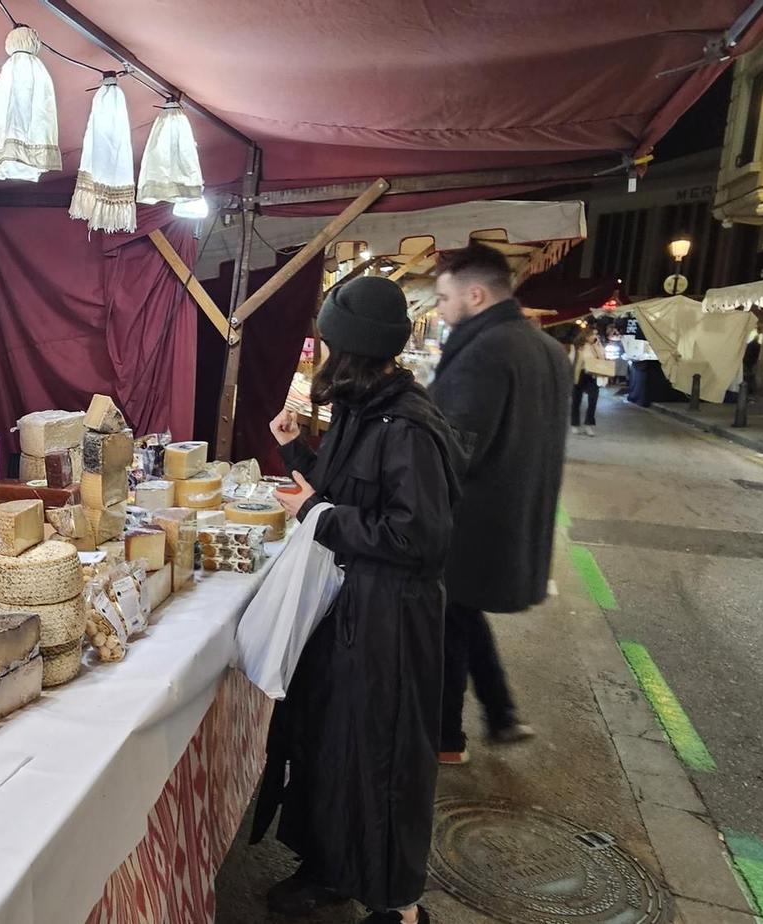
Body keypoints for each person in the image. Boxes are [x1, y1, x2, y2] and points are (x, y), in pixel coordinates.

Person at [254, 275, 464, 924]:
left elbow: (418, 537)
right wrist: (295, 450)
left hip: (392, 622)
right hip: (347, 607)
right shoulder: (358, 408)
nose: (317, 356)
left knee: (382, 759)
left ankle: (396, 907)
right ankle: (329, 869)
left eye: (325, 345)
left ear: (350, 351)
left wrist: (317, 514)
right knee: (328, 740)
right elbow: (340, 488)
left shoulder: (407, 426)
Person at [426, 243, 569, 764]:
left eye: (444, 298)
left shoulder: (484, 351)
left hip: (470, 520)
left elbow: (456, 445)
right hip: (513, 519)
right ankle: (500, 714)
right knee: (460, 616)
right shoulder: (543, 347)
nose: (439, 309)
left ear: (476, 294)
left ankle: (445, 737)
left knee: (446, 625)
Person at [567, 324, 603, 436]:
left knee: (593, 400)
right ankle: (575, 424)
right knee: (576, 401)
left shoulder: (596, 346)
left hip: (592, 376)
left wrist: (598, 345)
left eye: (596, 334)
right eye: (593, 334)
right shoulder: (577, 346)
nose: (595, 336)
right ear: (587, 335)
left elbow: (602, 358)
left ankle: (589, 425)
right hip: (580, 374)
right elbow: (571, 359)